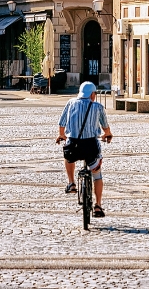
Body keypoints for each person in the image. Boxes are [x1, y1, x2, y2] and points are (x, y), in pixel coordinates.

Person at [56, 81, 113, 219]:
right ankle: (98, 206)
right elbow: (105, 127)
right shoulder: (97, 107)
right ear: (92, 94)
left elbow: (61, 124)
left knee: (68, 155)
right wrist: (108, 135)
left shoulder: (70, 103)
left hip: (73, 145)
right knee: (97, 174)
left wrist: (62, 135)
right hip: (91, 147)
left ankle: (71, 183)